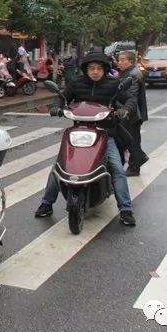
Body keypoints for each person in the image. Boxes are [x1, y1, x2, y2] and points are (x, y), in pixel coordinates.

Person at [34, 51, 138, 227]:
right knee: (58, 167)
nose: (95, 71)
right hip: (79, 131)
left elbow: (130, 99)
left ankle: (126, 210)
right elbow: (63, 98)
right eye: (91, 68)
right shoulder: (77, 83)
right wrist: (56, 108)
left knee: (117, 170)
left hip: (106, 133)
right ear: (86, 69)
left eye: (99, 68)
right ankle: (46, 203)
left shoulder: (114, 84)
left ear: (105, 69)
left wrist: (125, 110)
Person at [116, 50, 149, 176]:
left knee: (132, 141)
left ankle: (135, 166)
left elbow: (132, 96)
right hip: (130, 113)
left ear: (130, 61)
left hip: (132, 114)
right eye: (119, 60)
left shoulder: (133, 75)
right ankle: (140, 159)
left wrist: (125, 110)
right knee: (129, 140)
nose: (119, 62)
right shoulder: (127, 73)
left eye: (122, 60)